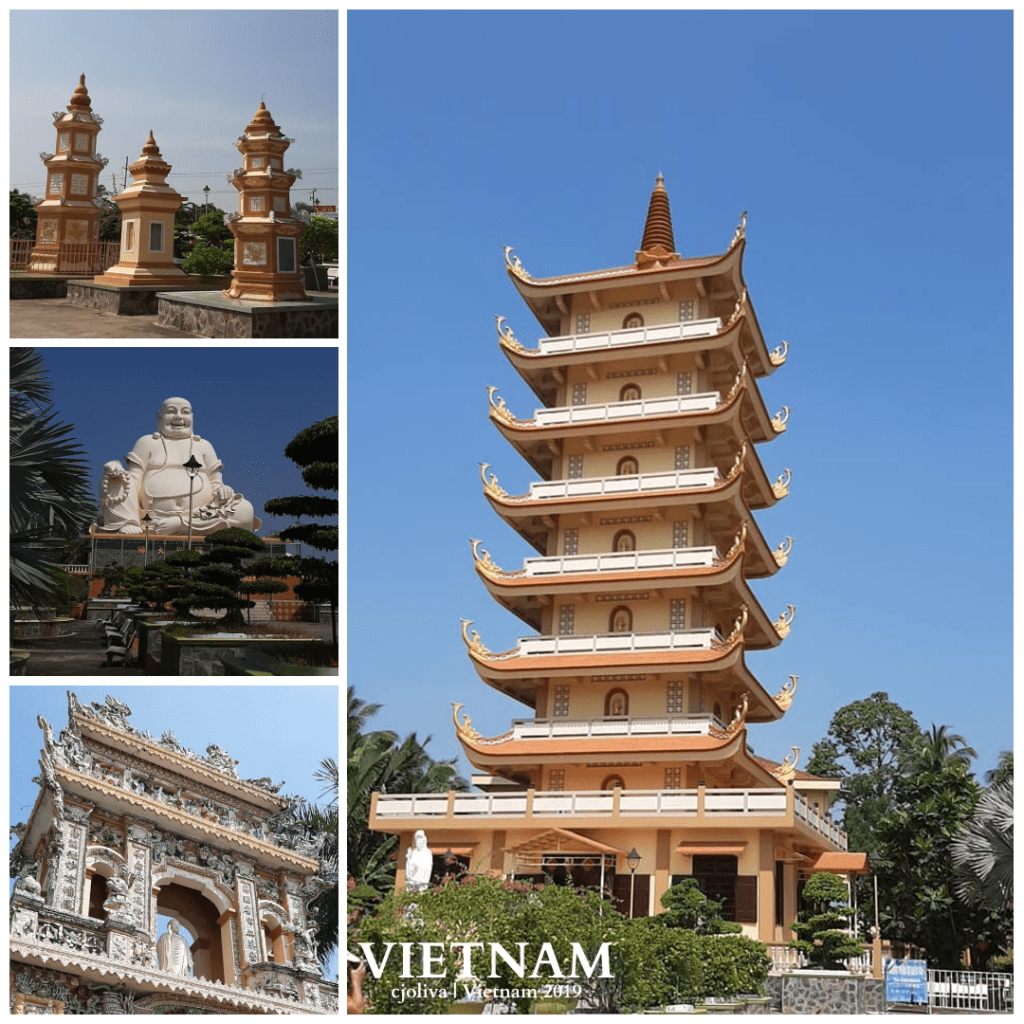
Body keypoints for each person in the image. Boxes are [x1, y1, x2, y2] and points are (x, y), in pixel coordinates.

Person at [97, 397, 260, 536]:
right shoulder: (147, 442)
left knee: (245, 510)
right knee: (114, 480)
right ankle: (129, 522)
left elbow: (217, 484)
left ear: (192, 417)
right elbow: (133, 478)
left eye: (185, 412)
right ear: (159, 417)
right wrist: (116, 470)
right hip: (149, 517)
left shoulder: (203, 445)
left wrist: (224, 491)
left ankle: (179, 525)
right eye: (171, 411)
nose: (178, 417)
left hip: (200, 516)